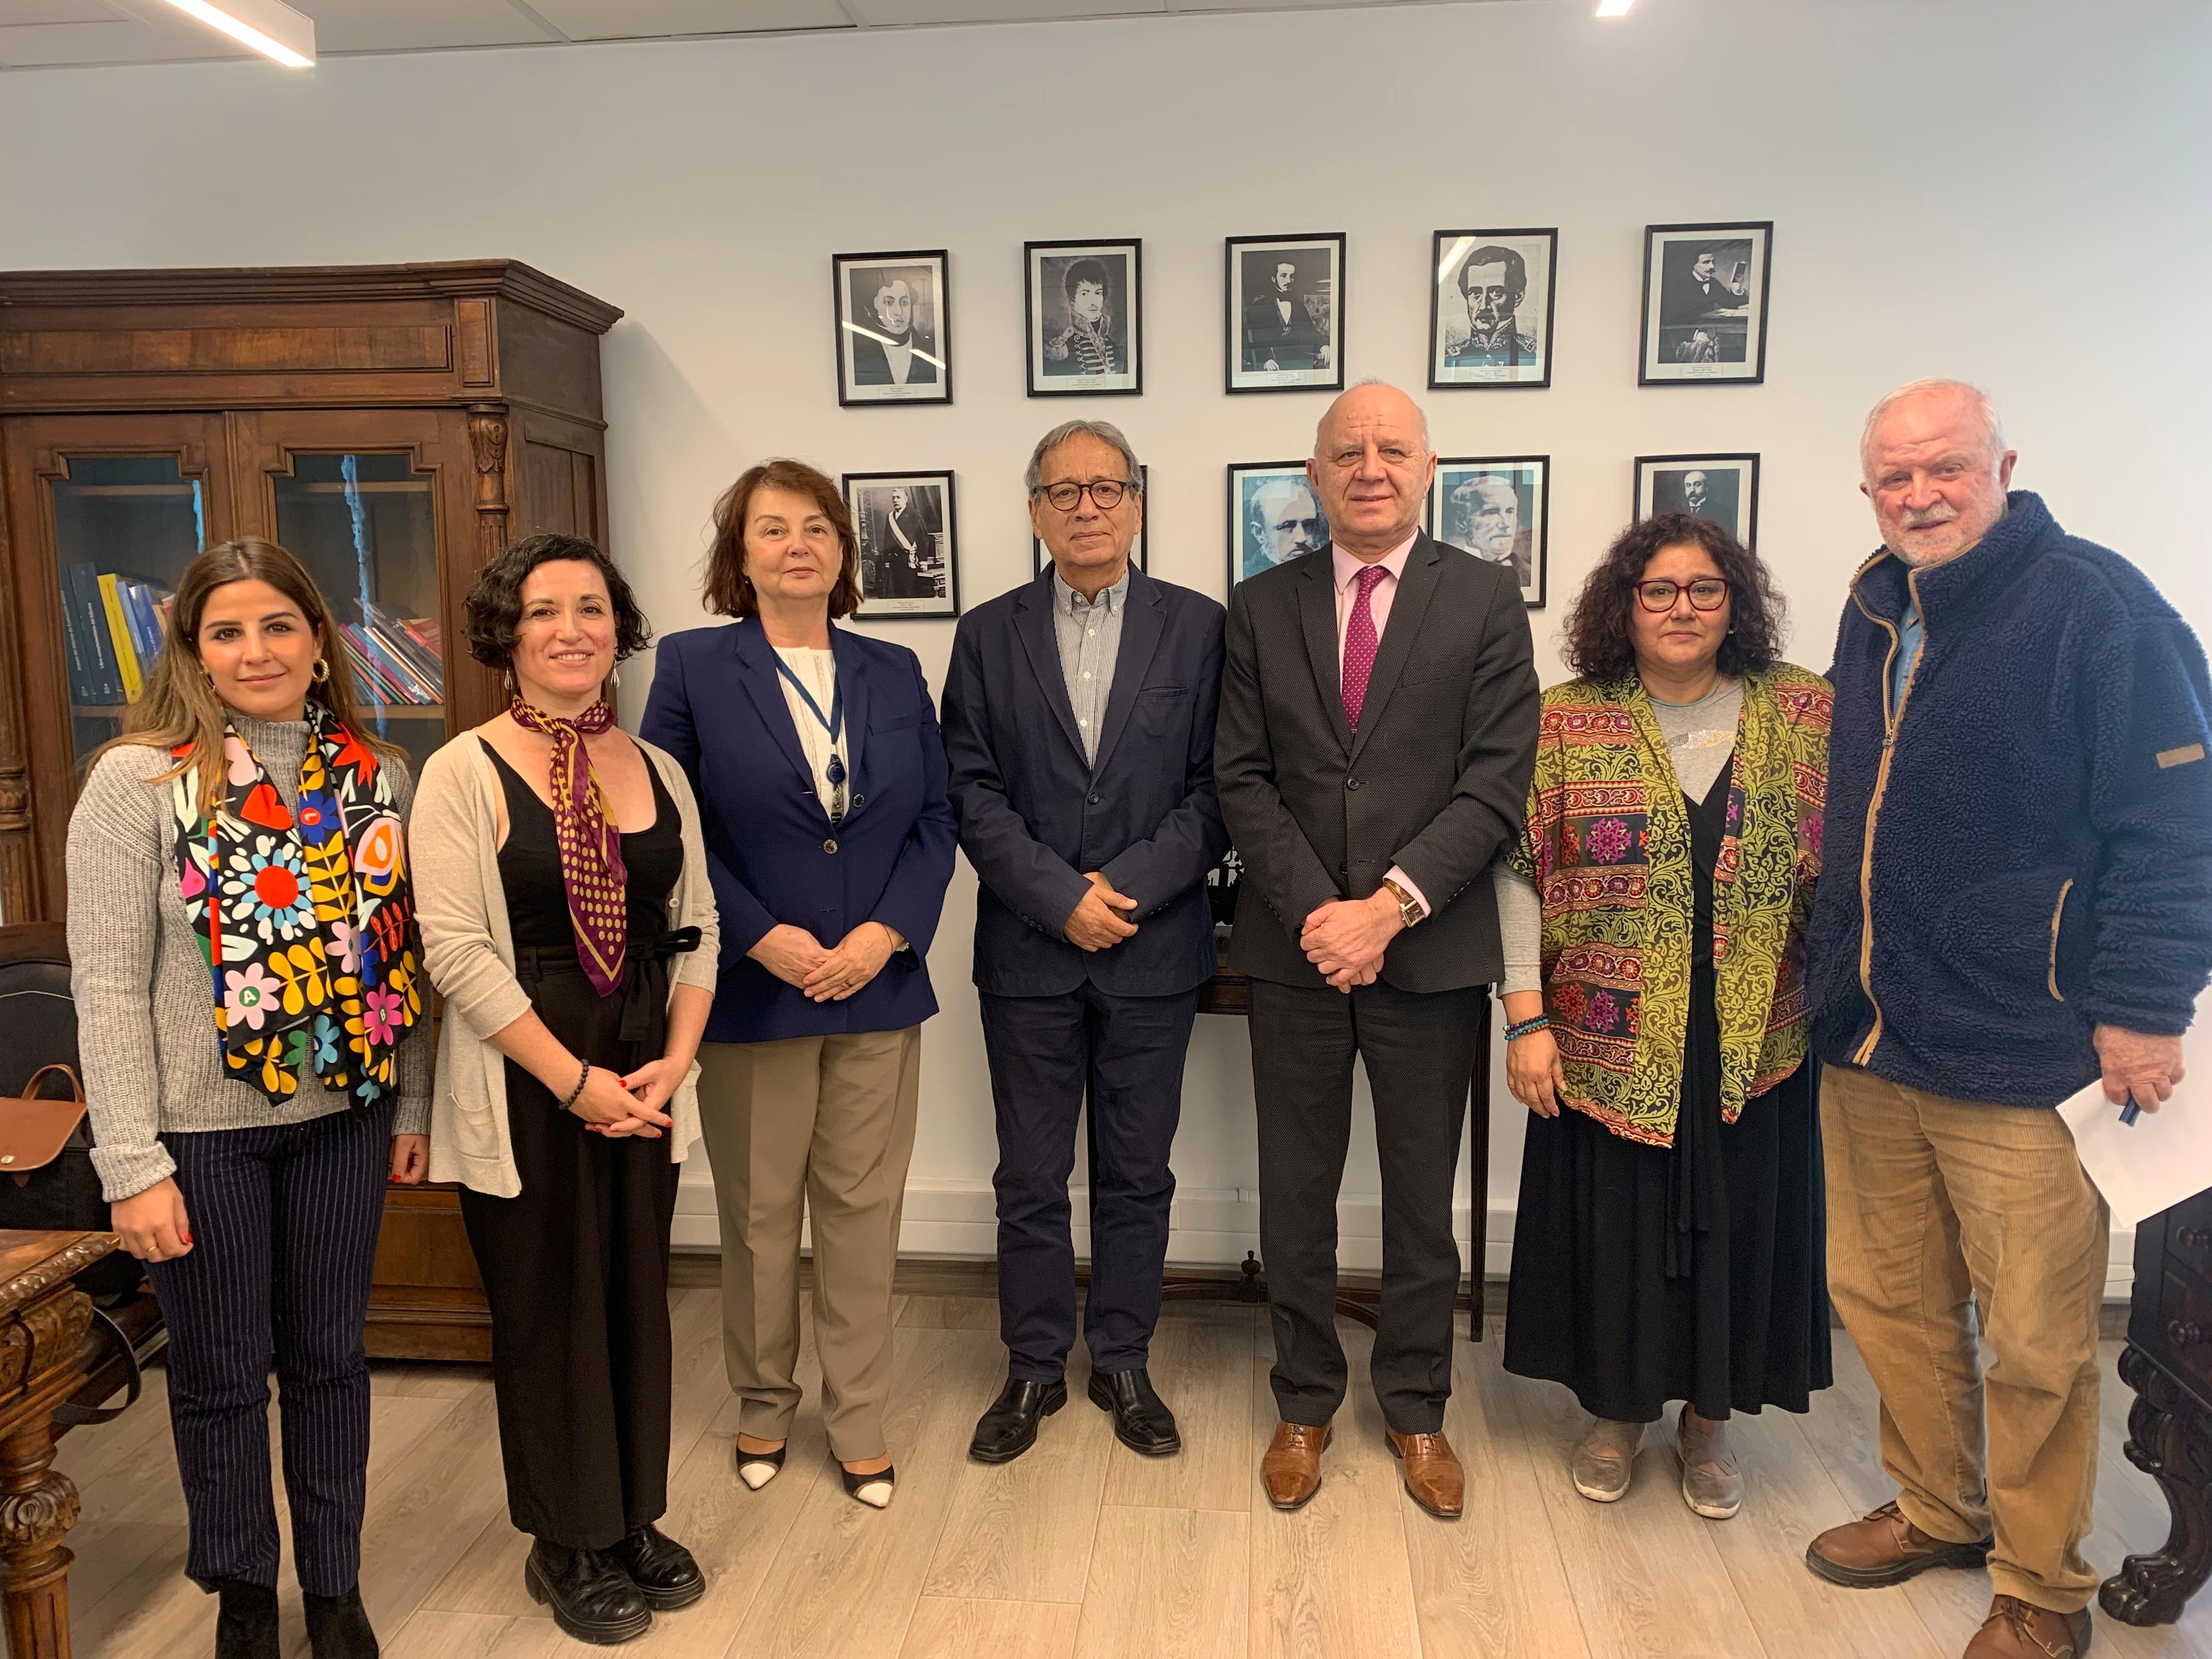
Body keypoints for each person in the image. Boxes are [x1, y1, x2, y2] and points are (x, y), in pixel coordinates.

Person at [1802, 380, 2212, 1659]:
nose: (1920, 494)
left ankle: (2040, 1588)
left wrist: (2142, 1010)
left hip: (2026, 1051)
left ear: (2003, 466)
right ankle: (1940, 1506)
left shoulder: (2098, 608)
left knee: (2037, 1338)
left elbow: (2176, 825)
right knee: (1888, 1298)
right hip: (1873, 1035)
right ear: (1869, 490)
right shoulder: (1875, 608)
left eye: (1946, 469)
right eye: (1895, 476)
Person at [66, 537, 428, 1659]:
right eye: (227, 631)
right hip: (198, 1139)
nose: (256, 649)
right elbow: (111, 987)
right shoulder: (137, 784)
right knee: (221, 1377)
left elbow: (395, 963)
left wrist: (409, 1113)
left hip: (347, 1122)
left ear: (320, 645)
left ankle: (333, 1589)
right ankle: (239, 1594)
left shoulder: (381, 776)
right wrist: (131, 1165)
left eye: (280, 626)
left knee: (331, 1360)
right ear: (194, 653)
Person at [1216, 380, 1539, 1520]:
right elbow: (1241, 777)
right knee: (1295, 1193)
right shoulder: (1258, 607)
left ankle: (1416, 1409)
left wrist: (1388, 907)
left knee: (1420, 1198)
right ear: (1312, 474)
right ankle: (1304, 1401)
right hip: (1298, 949)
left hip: (1430, 952)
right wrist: (1324, 913)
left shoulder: (1488, 601)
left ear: (1427, 468)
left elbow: (1497, 781)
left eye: (1392, 449)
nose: (1370, 467)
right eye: (1347, 450)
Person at [412, 532, 719, 1646]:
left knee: (637, 1293)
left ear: (618, 627)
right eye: (545, 611)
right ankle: (565, 1541)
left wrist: (673, 1062)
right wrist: (576, 1080)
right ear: (508, 632)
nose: (573, 629)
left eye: (592, 608)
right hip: (528, 1069)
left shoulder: (655, 768)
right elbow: (455, 953)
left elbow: (699, 927)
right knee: (549, 1309)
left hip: (643, 1061)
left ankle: (631, 1516)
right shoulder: (461, 770)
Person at [1496, 512, 1833, 1522]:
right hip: (1601, 1030)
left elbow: (1858, 859)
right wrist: (1524, 1019)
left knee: (1735, 1229)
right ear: (1622, 605)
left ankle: (1709, 1423)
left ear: (1736, 602)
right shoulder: (1564, 718)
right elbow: (1516, 870)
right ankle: (1614, 1413)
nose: (1680, 608)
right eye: (1657, 589)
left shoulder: (1804, 709)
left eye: (1703, 589)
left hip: (1755, 1034)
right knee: (1617, 1232)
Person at [641, 458, 957, 1514]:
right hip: (752, 987)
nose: (797, 545)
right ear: (740, 554)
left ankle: (857, 1411)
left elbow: (934, 819)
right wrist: (760, 935)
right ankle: (765, 1400)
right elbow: (669, 821)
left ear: (843, 551)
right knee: (761, 1212)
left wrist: (884, 932)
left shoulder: (893, 667)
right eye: (771, 529)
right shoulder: (691, 665)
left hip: (876, 984)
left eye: (817, 527)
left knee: (864, 1212)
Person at [941, 420, 1229, 1463]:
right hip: (1029, 948)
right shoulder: (987, 633)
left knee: (1135, 1170)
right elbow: (967, 788)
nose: (1086, 507)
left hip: (1153, 948)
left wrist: (1128, 888)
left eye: (1106, 487)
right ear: (1033, 512)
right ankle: (1029, 1366)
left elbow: (1218, 790)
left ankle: (1121, 1357)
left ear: (1138, 503)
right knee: (1027, 1172)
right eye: (1063, 491)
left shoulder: (1199, 629)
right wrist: (1057, 895)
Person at [1444, 245, 1538, 371]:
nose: (1484, 306)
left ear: (1517, 297)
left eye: (1496, 293)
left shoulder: (1534, 355)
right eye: (1476, 294)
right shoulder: (1449, 358)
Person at [850, 273, 939, 388]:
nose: (899, 312)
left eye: (904, 303)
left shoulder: (930, 349)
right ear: (872, 306)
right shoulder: (859, 350)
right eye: (888, 303)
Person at [1446, 473, 1532, 587]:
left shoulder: (1529, 573)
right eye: (1492, 512)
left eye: (1509, 512)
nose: (1506, 524)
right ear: (1462, 521)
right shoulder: (1446, 572)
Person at [1244, 258, 1329, 373]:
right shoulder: (1259, 307)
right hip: (1271, 366)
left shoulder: (1299, 305)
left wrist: (1323, 345)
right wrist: (1265, 361)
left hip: (1297, 362)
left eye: (1292, 276)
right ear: (1274, 279)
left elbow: (1310, 330)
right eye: (1283, 276)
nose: (1289, 280)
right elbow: (1250, 339)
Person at [1043, 258, 1120, 378]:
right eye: (1085, 294)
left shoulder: (1112, 346)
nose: (1093, 302)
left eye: (1098, 293)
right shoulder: (1061, 349)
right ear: (1072, 300)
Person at [1244, 476, 1330, 578]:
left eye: (1308, 525)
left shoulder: (1327, 573)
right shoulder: (1250, 580)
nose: (1301, 538)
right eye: (1287, 527)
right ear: (1260, 533)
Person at [1660, 246, 1749, 324]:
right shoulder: (1680, 286)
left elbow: (1730, 303)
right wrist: (1693, 335)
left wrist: (1737, 290)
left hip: (1707, 329)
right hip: (1685, 335)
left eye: (1713, 262)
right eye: (1706, 262)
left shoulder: (1714, 283)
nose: (1712, 267)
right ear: (1694, 265)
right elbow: (1669, 319)